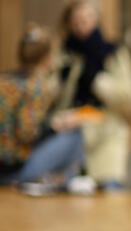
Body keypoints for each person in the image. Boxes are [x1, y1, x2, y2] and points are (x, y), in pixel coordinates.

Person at [54, 0, 131, 189]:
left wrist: (97, 80)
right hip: (71, 133)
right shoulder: (65, 53)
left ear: (97, 20)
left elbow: (127, 95)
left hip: (105, 133)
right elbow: (56, 97)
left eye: (86, 19)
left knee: (109, 193)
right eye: (76, 21)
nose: (81, 25)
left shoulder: (112, 52)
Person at [0, 24, 85, 190]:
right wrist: (55, 126)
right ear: (47, 57)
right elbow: (26, 133)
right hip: (15, 169)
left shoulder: (5, 80)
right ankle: (65, 185)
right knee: (75, 133)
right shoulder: (36, 85)